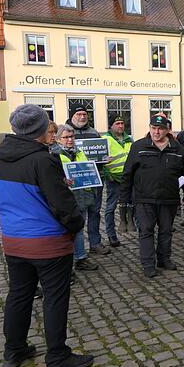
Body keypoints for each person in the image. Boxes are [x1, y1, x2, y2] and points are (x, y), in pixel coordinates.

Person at [0, 104, 94, 367]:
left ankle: (14, 350)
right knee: (55, 298)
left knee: (19, 294)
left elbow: (0, 195)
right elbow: (62, 204)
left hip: (13, 238)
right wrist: (74, 227)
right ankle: (57, 356)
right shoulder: (43, 160)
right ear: (38, 130)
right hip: (47, 240)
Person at [120, 114, 184, 279]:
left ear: (167, 130)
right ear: (149, 128)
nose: (156, 132)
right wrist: (123, 199)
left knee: (166, 231)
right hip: (144, 198)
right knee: (146, 231)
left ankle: (164, 258)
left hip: (169, 198)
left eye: (160, 129)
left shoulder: (177, 149)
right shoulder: (139, 146)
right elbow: (127, 174)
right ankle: (148, 264)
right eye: (153, 128)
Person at [53, 124, 99, 272]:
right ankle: (67, 262)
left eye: (72, 136)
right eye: (66, 137)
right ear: (58, 139)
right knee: (66, 231)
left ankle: (80, 258)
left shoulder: (79, 152)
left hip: (82, 197)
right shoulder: (54, 155)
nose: (70, 140)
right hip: (67, 199)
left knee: (79, 229)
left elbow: (87, 172)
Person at [65, 101, 109, 256]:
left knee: (95, 211)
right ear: (72, 116)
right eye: (79, 114)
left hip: (94, 178)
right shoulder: (65, 132)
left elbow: (100, 154)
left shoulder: (94, 132)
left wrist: (105, 158)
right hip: (76, 182)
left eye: (84, 114)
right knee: (78, 215)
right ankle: (77, 249)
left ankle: (95, 243)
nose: (82, 117)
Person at [102, 117, 134, 243]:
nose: (121, 126)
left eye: (122, 123)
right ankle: (111, 235)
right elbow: (99, 160)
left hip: (128, 178)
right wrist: (107, 173)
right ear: (111, 126)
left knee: (132, 203)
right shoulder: (105, 140)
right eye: (117, 123)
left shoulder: (129, 139)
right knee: (111, 207)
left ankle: (132, 225)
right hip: (113, 179)